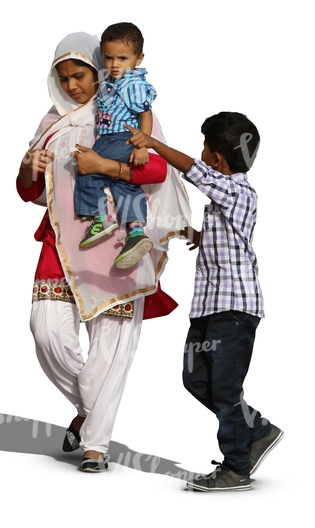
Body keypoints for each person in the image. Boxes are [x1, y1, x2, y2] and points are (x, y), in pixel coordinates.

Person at [17, 32, 191, 473]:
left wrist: (102, 166)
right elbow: (28, 192)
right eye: (64, 77)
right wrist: (26, 168)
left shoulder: (126, 111)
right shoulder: (50, 124)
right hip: (61, 238)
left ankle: (95, 445)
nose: (73, 85)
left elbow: (153, 167)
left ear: (98, 69)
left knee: (110, 349)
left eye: (80, 75)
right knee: (47, 333)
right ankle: (93, 413)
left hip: (117, 239)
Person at [127, 112, 283, 491]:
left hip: (234, 310)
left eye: (205, 148)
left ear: (216, 159)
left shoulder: (238, 191)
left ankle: (236, 466)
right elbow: (226, 231)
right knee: (195, 378)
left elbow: (195, 172)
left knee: (226, 389)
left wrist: (153, 144)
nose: (201, 155)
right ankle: (257, 428)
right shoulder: (224, 197)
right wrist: (197, 233)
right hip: (209, 307)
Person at [75, 23, 157, 272]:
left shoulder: (133, 84)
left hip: (119, 138)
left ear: (138, 58)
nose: (114, 64)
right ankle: (135, 232)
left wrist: (143, 144)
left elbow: (146, 114)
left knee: (87, 169)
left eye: (122, 58)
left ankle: (100, 216)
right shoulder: (112, 81)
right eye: (109, 58)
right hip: (119, 140)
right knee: (125, 184)